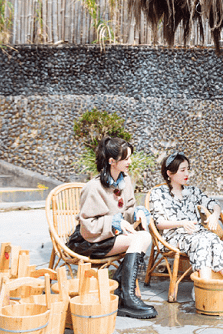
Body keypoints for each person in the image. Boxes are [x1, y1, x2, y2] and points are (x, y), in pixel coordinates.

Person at [66, 136, 157, 319]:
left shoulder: (125, 181)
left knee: (144, 237)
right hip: (89, 241)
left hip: (110, 237)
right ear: (112, 161)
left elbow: (128, 209)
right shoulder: (93, 187)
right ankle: (126, 296)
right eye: (126, 159)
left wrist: (137, 213)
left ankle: (123, 293)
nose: (130, 162)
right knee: (142, 238)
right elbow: (87, 226)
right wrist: (114, 222)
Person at [148, 152, 223, 291]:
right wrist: (181, 223)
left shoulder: (193, 191)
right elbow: (159, 223)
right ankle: (204, 287)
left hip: (196, 233)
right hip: (172, 236)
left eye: (188, 169)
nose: (187, 173)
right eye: (182, 170)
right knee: (202, 241)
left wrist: (215, 215)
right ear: (169, 173)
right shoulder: (158, 193)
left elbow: (214, 203)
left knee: (214, 239)